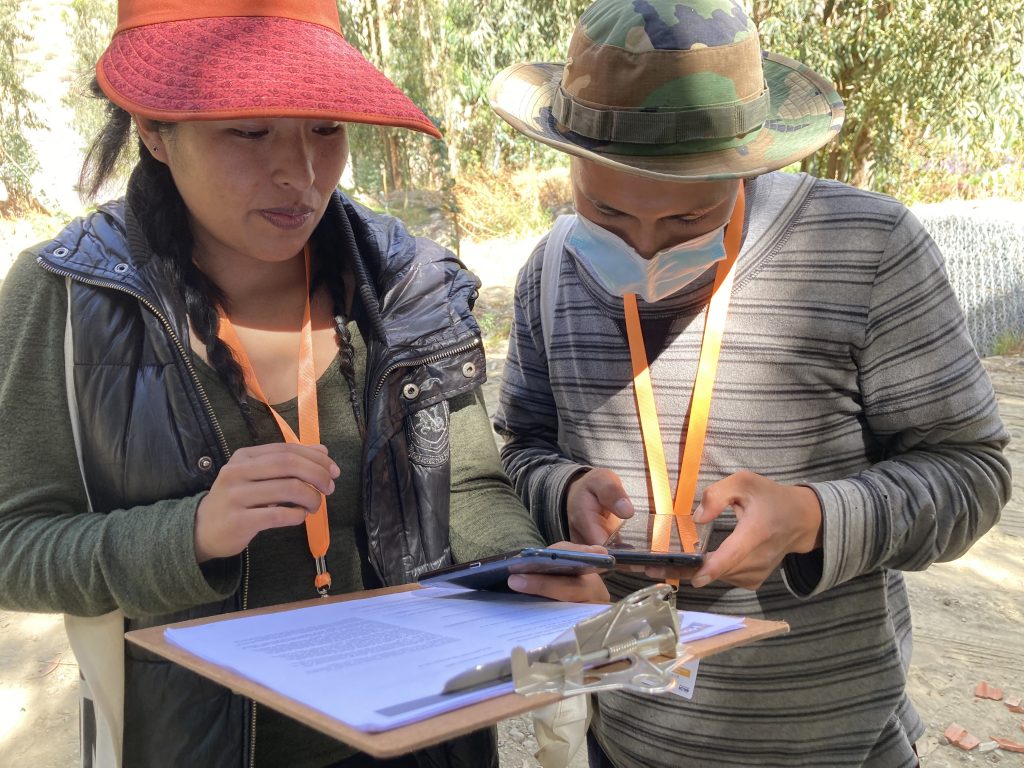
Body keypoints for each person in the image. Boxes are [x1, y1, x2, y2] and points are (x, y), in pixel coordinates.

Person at [0, 2, 609, 767]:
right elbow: (14, 545)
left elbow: (467, 490)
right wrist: (187, 535)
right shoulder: (68, 298)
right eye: (249, 132)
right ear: (154, 129)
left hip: (425, 733)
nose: (301, 173)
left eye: (326, 128)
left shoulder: (404, 283)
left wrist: (524, 569)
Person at [488, 1, 1012, 766]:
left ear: (751, 166)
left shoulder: (868, 250)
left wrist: (812, 518)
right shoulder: (548, 274)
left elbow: (974, 472)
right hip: (624, 740)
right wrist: (559, 490)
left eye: (688, 220)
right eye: (603, 208)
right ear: (565, 159)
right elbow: (520, 449)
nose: (642, 248)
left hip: (831, 745)